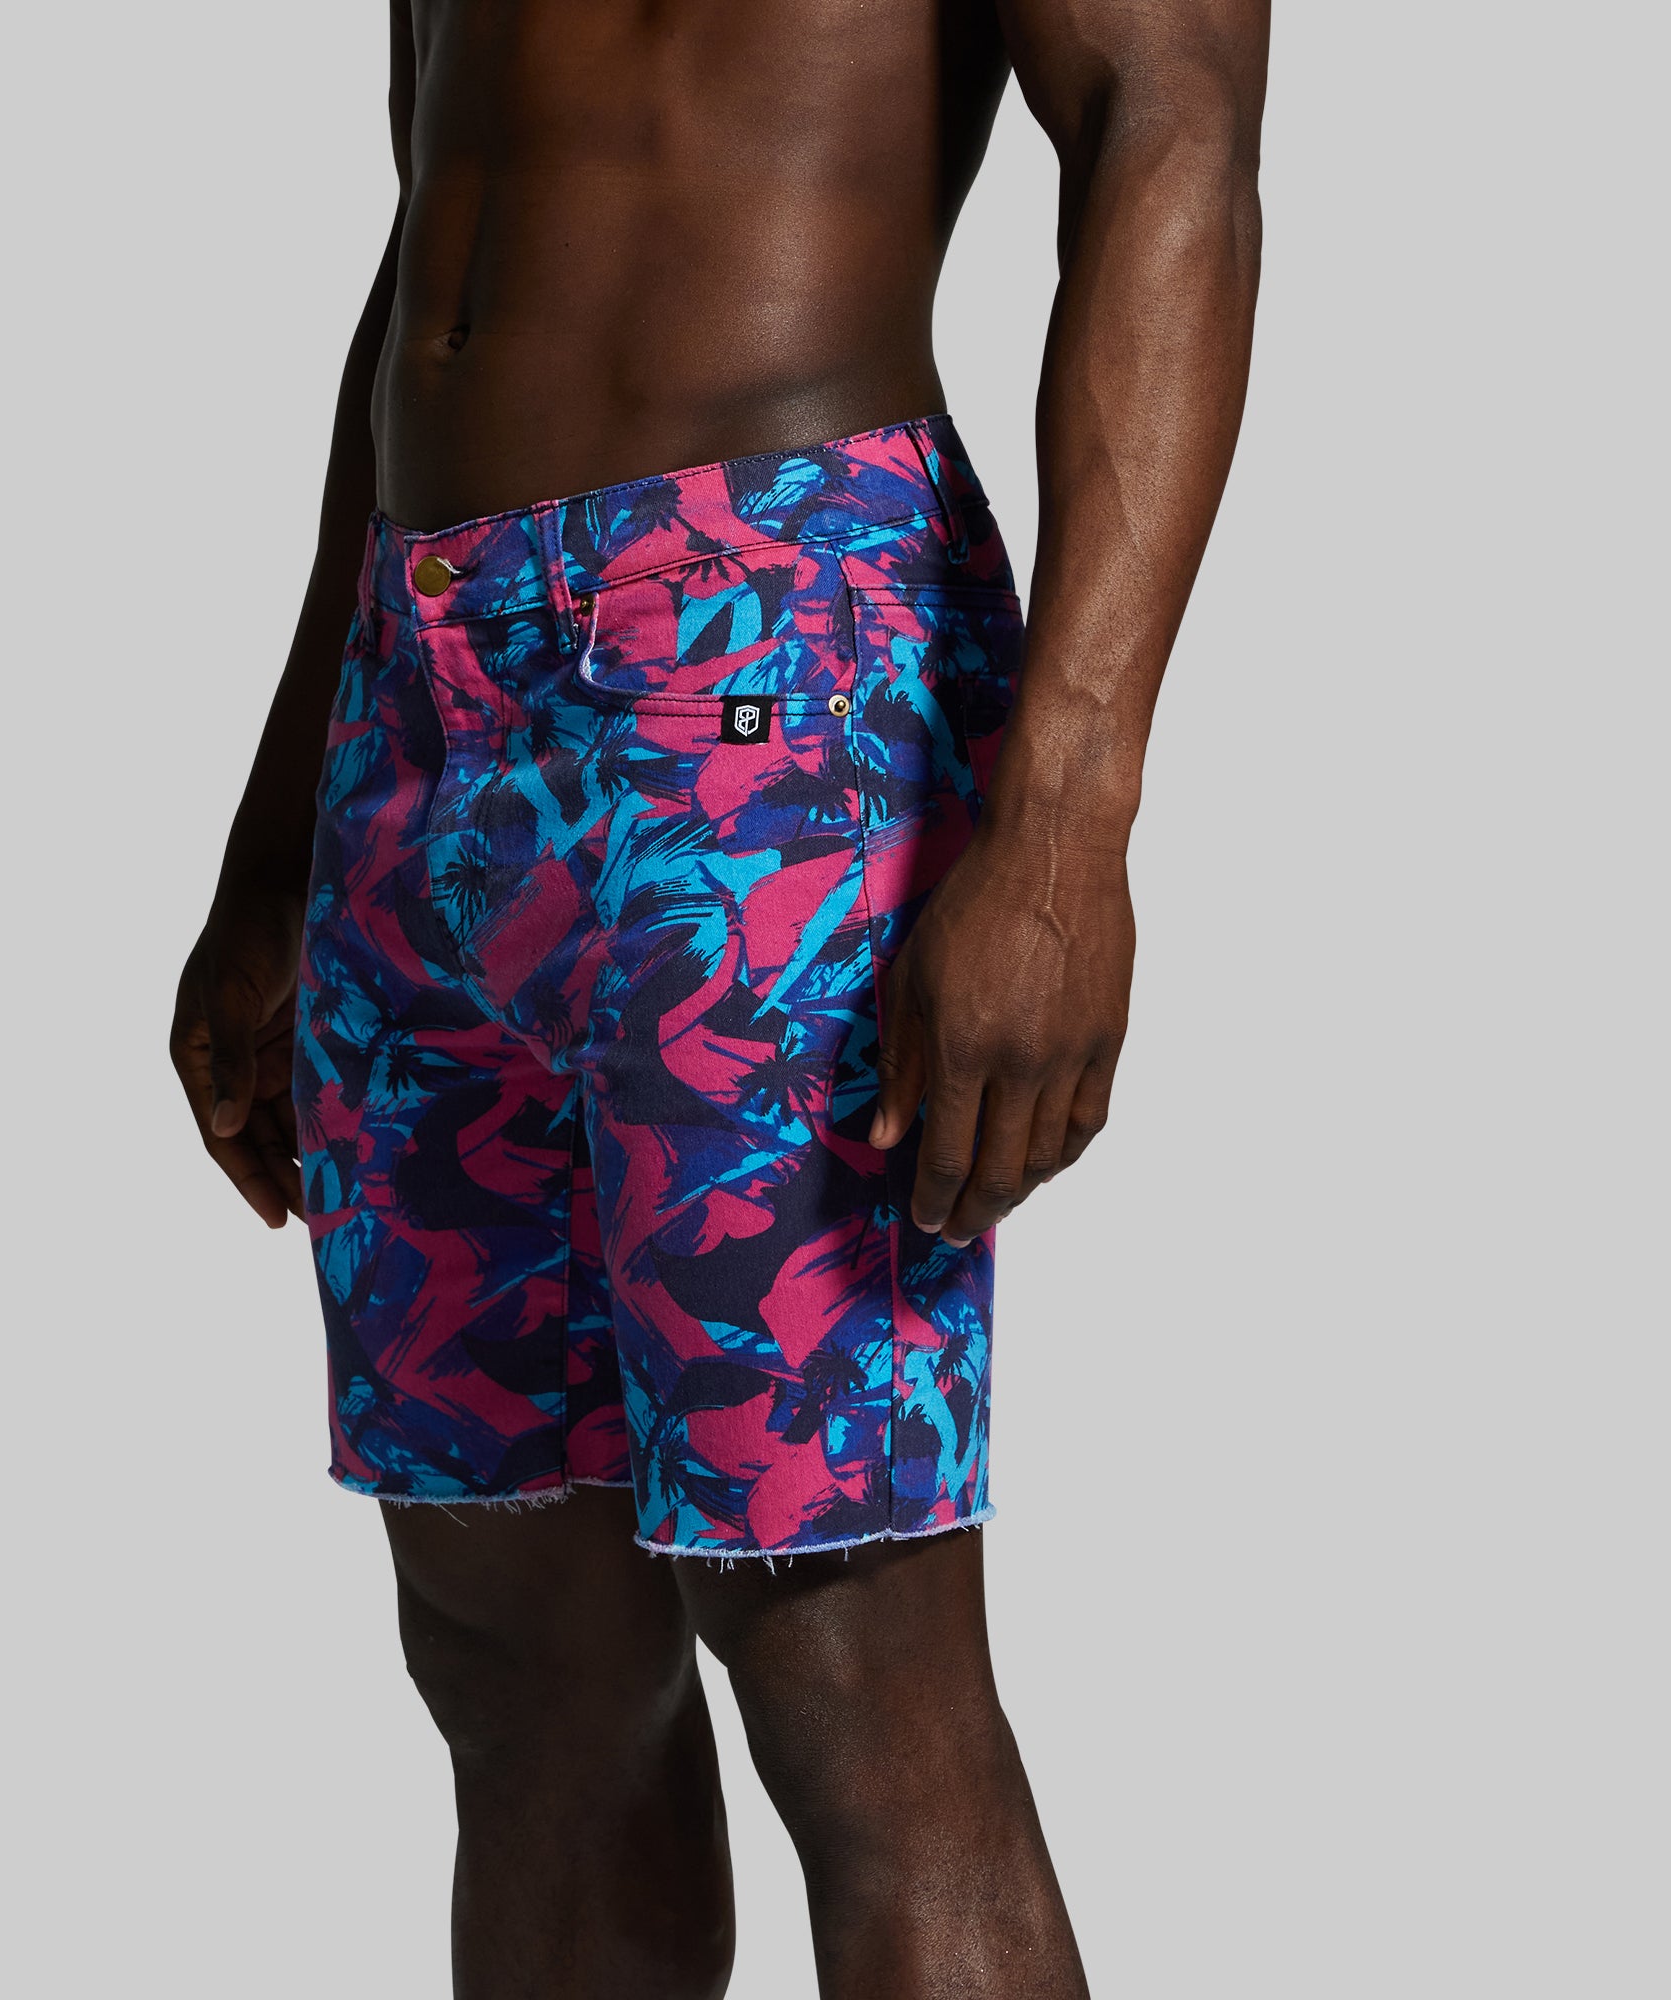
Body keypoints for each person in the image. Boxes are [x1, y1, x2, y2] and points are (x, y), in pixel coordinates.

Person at [171, 2, 1265, 1992]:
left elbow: (1169, 113)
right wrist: (279, 830)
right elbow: (438, 240)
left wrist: (1069, 815)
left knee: (842, 1650)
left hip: (767, 657)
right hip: (423, 692)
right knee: (513, 1656)